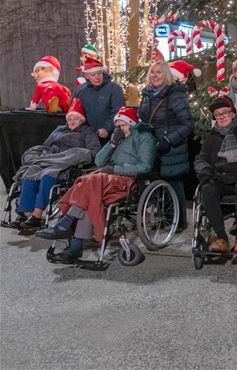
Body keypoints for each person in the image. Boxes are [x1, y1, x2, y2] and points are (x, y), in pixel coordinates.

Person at [37, 107, 156, 263]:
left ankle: (66, 226)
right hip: (106, 178)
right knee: (89, 193)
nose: (120, 129)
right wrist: (113, 143)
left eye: (123, 125)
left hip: (127, 179)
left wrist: (116, 169)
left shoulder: (145, 137)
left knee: (88, 181)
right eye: (117, 126)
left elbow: (145, 166)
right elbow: (99, 161)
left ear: (132, 124)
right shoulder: (118, 137)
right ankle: (74, 246)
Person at [12, 98, 100, 229]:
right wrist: (43, 155)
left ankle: (37, 215)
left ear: (81, 120)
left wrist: (75, 154)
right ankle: (27, 214)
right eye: (69, 119)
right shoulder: (59, 129)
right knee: (30, 172)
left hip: (66, 162)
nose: (72, 122)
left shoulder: (88, 131)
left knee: (48, 174)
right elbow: (46, 145)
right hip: (50, 157)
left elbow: (94, 151)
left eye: (75, 119)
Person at [194, 94, 237, 253]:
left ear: (233, 112)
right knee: (207, 188)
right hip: (220, 179)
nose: (221, 116)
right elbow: (201, 158)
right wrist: (205, 170)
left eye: (225, 112)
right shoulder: (211, 137)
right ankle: (221, 238)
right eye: (217, 114)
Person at [138, 61, 194, 232]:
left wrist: (168, 139)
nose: (155, 75)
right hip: (152, 145)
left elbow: (188, 123)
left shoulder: (175, 95)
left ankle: (178, 221)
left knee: (173, 182)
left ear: (166, 75)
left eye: (159, 72)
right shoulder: (147, 94)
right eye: (152, 72)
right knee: (157, 181)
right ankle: (163, 218)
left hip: (171, 147)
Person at [74, 57, 126, 140]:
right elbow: (75, 112)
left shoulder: (115, 89)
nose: (97, 77)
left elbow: (119, 113)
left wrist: (107, 128)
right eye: (93, 75)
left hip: (110, 135)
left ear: (103, 72)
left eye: (99, 73)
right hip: (86, 135)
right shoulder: (80, 91)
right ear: (87, 76)